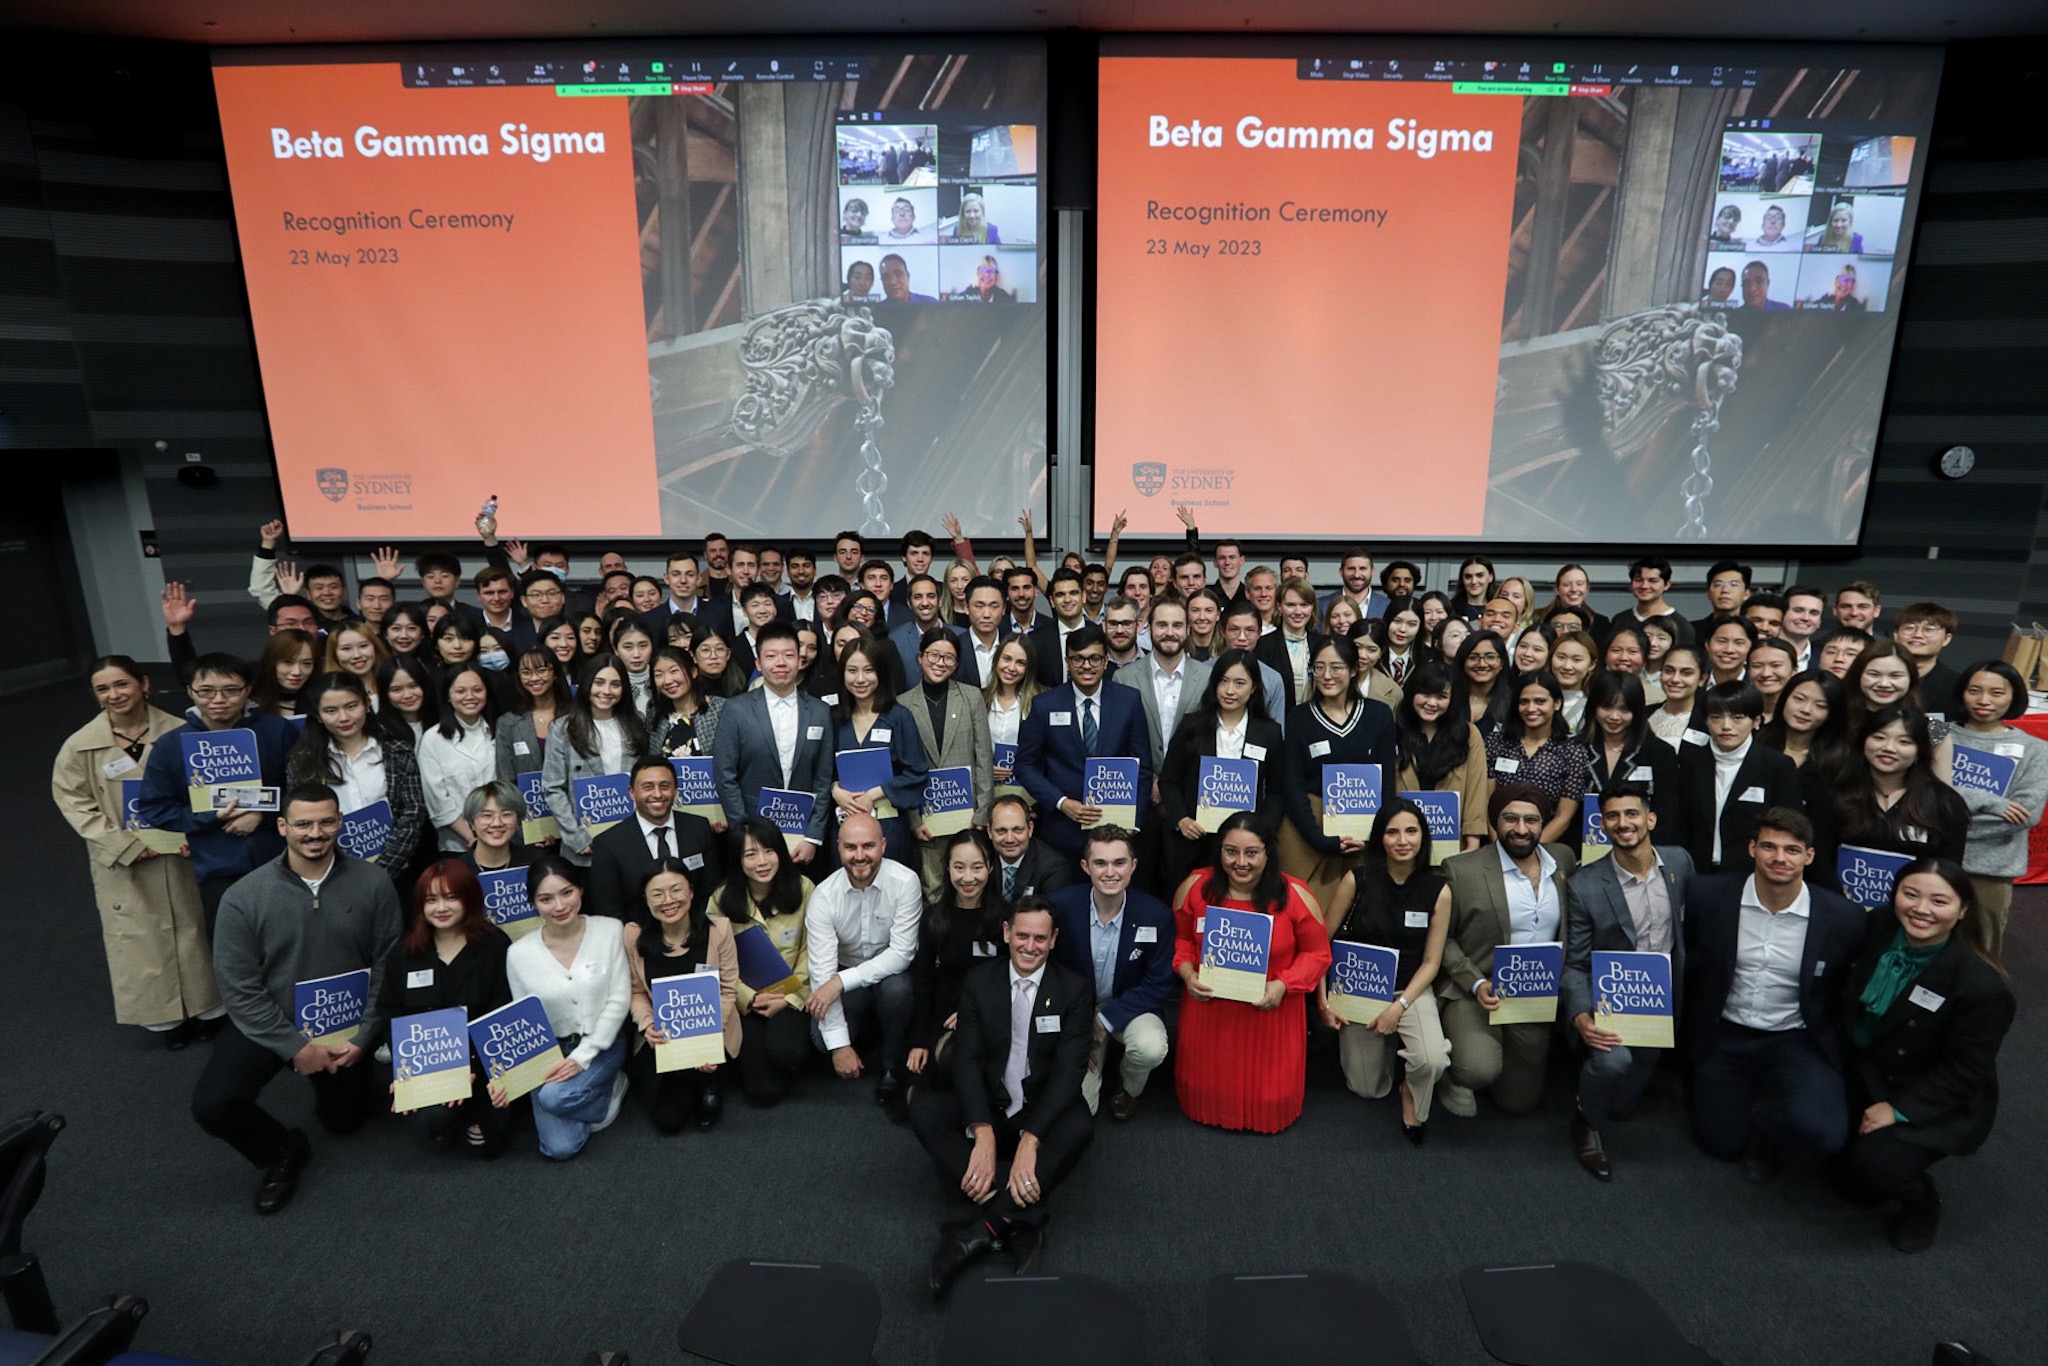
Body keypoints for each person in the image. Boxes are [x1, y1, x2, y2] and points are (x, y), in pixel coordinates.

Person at [191, 784, 402, 1213]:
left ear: (340, 823)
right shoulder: (243, 897)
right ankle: (282, 1151)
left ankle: (349, 1084)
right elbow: (239, 988)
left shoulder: (374, 881)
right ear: (283, 826)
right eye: (303, 823)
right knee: (213, 1105)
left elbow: (388, 964)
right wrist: (293, 1047)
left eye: (326, 822)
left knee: (343, 1122)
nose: (315, 833)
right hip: (271, 1022)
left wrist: (365, 1037)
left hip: (345, 1027)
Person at [912, 895, 1094, 1294]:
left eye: (1040, 939)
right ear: (1007, 933)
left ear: (1054, 939)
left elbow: (1069, 1072)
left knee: (1080, 1125)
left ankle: (976, 1231)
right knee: (924, 1107)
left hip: (1038, 1105)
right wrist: (982, 1132)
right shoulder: (980, 982)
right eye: (1023, 936)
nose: (1030, 947)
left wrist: (1032, 1140)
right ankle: (1020, 1216)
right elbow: (967, 1060)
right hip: (991, 1103)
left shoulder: (1075, 988)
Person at [1834, 859, 2015, 1252]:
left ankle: (1922, 1203)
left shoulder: (1981, 987)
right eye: (1910, 895)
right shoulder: (1881, 926)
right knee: (1829, 1150)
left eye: (1939, 901)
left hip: (1931, 1093)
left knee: (1875, 1167)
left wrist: (1897, 1109)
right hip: (1869, 1067)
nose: (1921, 909)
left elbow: (1964, 1073)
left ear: (1963, 909)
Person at [1683, 808, 1867, 1182]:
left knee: (1825, 1135)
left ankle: (1770, 1123)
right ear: (1752, 848)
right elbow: (1690, 963)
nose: (1779, 858)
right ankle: (1739, 1100)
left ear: (1809, 857)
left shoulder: (1843, 917)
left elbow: (1847, 989)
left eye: (1792, 850)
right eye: (1769, 846)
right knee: (1722, 1144)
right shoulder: (1708, 895)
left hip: (1796, 1037)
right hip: (1726, 1032)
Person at [52, 655, 221, 1045]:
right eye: (103, 689)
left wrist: (194, 833)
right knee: (139, 936)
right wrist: (123, 843)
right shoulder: (79, 747)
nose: (114, 695)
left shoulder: (181, 731)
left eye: (122, 684)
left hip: (181, 851)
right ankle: (166, 1020)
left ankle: (210, 1008)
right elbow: (74, 803)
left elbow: (205, 789)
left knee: (196, 928)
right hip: (124, 858)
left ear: (144, 683)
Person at [1562, 784, 1694, 1181]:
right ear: (1602, 825)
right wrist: (1582, 1017)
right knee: (1613, 1062)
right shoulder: (1584, 886)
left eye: (1632, 814)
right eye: (1613, 816)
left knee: (1625, 1104)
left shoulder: (1680, 863)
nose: (1624, 823)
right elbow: (1575, 964)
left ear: (1650, 819)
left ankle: (1605, 1099)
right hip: (1612, 999)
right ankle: (1585, 1122)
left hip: (1663, 1000)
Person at [1171, 814, 1331, 1133]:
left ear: (1268, 852)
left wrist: (1284, 985)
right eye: (1231, 851)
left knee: (1271, 1099)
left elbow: (1318, 954)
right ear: (1219, 851)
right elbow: (1183, 940)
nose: (1240, 862)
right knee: (1201, 1091)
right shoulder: (1195, 887)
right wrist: (1188, 975)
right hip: (1210, 1012)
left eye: (1251, 853)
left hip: (1271, 1012)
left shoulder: (1296, 895)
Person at [1434, 784, 1578, 1117]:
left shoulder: (1563, 861)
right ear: (1494, 821)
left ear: (1544, 823)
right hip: (1478, 987)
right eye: (1510, 818)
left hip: (1534, 996)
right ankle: (1453, 1076)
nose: (1521, 828)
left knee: (1519, 1102)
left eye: (1531, 820)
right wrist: (1473, 982)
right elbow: (1443, 939)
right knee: (1478, 1069)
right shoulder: (1461, 869)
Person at [1317, 799, 1453, 1143]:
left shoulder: (1438, 889)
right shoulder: (1356, 879)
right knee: (1368, 1089)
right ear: (1379, 838)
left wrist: (1399, 1007)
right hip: (1358, 990)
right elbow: (1320, 944)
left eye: (1411, 831)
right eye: (1392, 832)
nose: (1402, 840)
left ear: (1424, 836)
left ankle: (1410, 1088)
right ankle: (1390, 1049)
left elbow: (1432, 963)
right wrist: (1323, 1002)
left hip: (1409, 990)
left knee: (1433, 1061)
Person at [135, 653, 299, 935]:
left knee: (296, 941)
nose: (218, 699)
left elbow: (302, 791)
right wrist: (210, 815)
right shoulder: (171, 745)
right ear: (190, 692)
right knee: (238, 952)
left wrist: (264, 814)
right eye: (206, 691)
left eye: (230, 690)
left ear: (247, 690)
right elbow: (154, 808)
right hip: (217, 868)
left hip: (283, 860)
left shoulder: (277, 730)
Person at [372, 859, 513, 1156]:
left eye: (451, 897)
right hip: (431, 1065)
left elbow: (502, 1012)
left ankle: (473, 1106)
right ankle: (453, 1114)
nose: (441, 908)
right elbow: (389, 1011)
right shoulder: (405, 952)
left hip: (484, 1065)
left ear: (469, 899)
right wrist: (408, 1070)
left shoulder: (495, 946)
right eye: (431, 899)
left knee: (490, 1148)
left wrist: (471, 1069)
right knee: (431, 1120)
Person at [497, 855, 633, 1159]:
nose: (559, 906)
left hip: (601, 1045)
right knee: (559, 1148)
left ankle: (612, 1082)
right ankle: (594, 1095)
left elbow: (619, 999)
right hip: (550, 1052)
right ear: (533, 903)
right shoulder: (518, 954)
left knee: (555, 1099)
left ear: (581, 890)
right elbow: (525, 1023)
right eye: (546, 898)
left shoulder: (610, 930)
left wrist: (582, 1057)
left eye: (566, 892)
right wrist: (511, 1079)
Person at [1048, 826, 1176, 1119]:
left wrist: (1105, 1020)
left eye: (1119, 862)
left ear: (1133, 866)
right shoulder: (1060, 907)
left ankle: (1129, 1090)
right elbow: (1048, 971)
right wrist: (1078, 1028)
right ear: (1085, 867)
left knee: (1150, 1047)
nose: (1110, 872)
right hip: (1077, 1006)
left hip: (1130, 1007)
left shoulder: (1156, 915)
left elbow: (1159, 983)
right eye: (1100, 863)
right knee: (1080, 1109)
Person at [805, 813, 923, 1110]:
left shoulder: (906, 882)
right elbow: (822, 972)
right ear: (838, 848)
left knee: (898, 992)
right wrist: (840, 1047)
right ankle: (866, 1035)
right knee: (823, 1042)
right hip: (845, 974)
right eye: (850, 848)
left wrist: (840, 983)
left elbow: (901, 954)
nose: (859, 856)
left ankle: (890, 1066)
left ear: (883, 845)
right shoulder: (823, 896)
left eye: (868, 846)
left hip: (889, 973)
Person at [1279, 635, 1398, 912]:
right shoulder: (1299, 717)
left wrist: (1372, 836)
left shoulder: (1378, 715)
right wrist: (1318, 837)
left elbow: (1387, 783)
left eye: (1336, 667)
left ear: (1354, 669)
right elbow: (1292, 784)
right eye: (1318, 667)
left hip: (1364, 836)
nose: (1326, 675)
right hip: (1306, 835)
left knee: (1360, 916)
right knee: (1304, 914)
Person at [1014, 626, 1152, 862]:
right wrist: (1061, 803)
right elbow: (1025, 765)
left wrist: (1133, 823)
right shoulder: (1045, 705)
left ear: (1106, 661)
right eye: (1078, 658)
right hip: (1061, 830)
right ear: (1067, 661)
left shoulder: (1129, 701)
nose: (1086, 666)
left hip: (1116, 830)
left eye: (1094, 658)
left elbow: (1143, 769)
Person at [623, 858, 740, 1134]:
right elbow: (636, 991)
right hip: (662, 1037)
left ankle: (708, 1084)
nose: (668, 901)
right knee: (668, 1121)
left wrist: (707, 1039)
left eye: (676, 890)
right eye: (657, 894)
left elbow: (728, 989)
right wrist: (647, 1024)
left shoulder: (718, 930)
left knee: (704, 1080)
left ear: (690, 891)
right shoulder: (633, 935)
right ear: (646, 899)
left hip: (712, 1030)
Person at [1159, 650, 1285, 895]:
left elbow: (1277, 793)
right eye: (1223, 681)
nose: (1230, 691)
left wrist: (1260, 833)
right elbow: (1169, 780)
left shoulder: (1269, 733)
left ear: (1254, 688)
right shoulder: (1192, 726)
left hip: (1245, 848)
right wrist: (1181, 820)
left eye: (1240, 683)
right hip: (1194, 840)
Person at [708, 818, 815, 1106]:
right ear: (737, 860)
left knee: (786, 1051)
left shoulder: (803, 888)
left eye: (769, 851)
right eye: (750, 854)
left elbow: (812, 950)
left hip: (792, 993)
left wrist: (789, 996)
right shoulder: (720, 900)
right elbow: (712, 961)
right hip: (747, 1000)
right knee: (762, 1093)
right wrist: (749, 998)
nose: (762, 862)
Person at [1812, 706, 1971, 899]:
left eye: (1904, 741)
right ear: (1863, 743)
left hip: (1914, 911)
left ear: (1919, 750)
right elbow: (1818, 857)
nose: (1888, 748)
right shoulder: (1834, 792)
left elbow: (1948, 869)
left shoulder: (1945, 802)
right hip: (1840, 905)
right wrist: (1838, 897)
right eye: (1879, 738)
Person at [1945, 661, 2047, 956]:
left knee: (1980, 951)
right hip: (1935, 859)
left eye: (1997, 692)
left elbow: (2025, 814)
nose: (1984, 700)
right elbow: (1923, 792)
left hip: (1991, 868)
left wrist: (1947, 822)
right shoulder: (1936, 732)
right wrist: (1994, 803)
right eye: (1974, 690)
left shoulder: (2036, 749)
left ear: (2013, 696)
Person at [713, 622, 836, 864]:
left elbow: (823, 779)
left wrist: (813, 837)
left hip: (803, 837)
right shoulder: (736, 709)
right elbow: (725, 775)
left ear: (800, 661)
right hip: (752, 835)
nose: (781, 663)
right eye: (771, 656)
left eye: (789, 655)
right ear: (759, 663)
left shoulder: (821, 712)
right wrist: (745, 832)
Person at [287, 672, 425, 879]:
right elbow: (302, 821)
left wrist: (380, 871)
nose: (343, 718)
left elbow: (413, 813)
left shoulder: (397, 751)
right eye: (331, 710)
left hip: (397, 871)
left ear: (367, 704)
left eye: (351, 706)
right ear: (317, 715)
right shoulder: (302, 763)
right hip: (331, 873)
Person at [904, 830, 1006, 1085]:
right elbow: (924, 981)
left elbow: (1011, 978)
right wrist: (920, 1041)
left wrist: (973, 1011)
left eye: (977, 867)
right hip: (945, 1011)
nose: (968, 877)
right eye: (959, 867)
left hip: (992, 1010)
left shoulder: (1006, 918)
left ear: (991, 868)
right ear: (948, 869)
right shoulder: (934, 919)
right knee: (934, 1068)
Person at [829, 638, 932, 870]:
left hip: (889, 825)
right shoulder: (834, 718)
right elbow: (821, 773)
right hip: (844, 823)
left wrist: (874, 794)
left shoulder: (899, 717)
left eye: (868, 670)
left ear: (881, 673)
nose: (860, 679)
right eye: (852, 671)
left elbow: (916, 772)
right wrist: (835, 791)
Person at [586, 754, 723, 923]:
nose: (657, 794)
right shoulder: (608, 844)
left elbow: (712, 891)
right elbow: (609, 912)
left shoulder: (699, 828)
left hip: (697, 934)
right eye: (648, 787)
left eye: (664, 786)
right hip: (638, 942)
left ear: (675, 790)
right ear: (632, 793)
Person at [541, 654, 649, 866]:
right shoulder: (563, 728)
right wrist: (576, 837)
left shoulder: (637, 723)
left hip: (632, 837)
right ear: (587, 684)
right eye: (599, 683)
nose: (606, 691)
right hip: (584, 843)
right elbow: (553, 788)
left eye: (615, 684)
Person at [1485, 670, 1587, 846]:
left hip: (1546, 846)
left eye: (1540, 701)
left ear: (1556, 703)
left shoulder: (1572, 751)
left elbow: (1564, 816)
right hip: (1498, 844)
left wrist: (1531, 850)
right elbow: (1486, 805)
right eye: (1524, 702)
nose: (1531, 709)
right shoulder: (1497, 742)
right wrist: (1500, 848)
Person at [1395, 662, 1488, 852]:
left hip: (1452, 845)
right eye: (1425, 694)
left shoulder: (1469, 735)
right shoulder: (1393, 731)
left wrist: (1473, 842)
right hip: (1401, 844)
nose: (1432, 703)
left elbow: (1476, 790)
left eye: (1441, 697)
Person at [1578, 671, 1681, 835]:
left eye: (1624, 709)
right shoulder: (1576, 749)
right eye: (1606, 707)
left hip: (1641, 850)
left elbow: (1666, 815)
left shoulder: (1659, 753)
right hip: (1581, 852)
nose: (1614, 716)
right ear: (1593, 707)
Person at [418, 664, 500, 854]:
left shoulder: (499, 730)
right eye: (460, 691)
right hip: (459, 845)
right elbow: (437, 801)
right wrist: (473, 838)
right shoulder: (433, 739)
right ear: (448, 695)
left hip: (504, 837)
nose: (470, 697)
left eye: (477, 690)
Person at [987, 793, 1075, 901]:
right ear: (989, 831)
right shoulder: (980, 857)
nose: (1009, 839)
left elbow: (1050, 914)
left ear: (1030, 829)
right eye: (1001, 831)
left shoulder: (1054, 868)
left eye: (1017, 830)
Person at [249, 630, 317, 718]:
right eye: (288, 662)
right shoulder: (247, 703)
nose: (297, 672)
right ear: (271, 662)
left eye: (306, 664)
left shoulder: (322, 702)